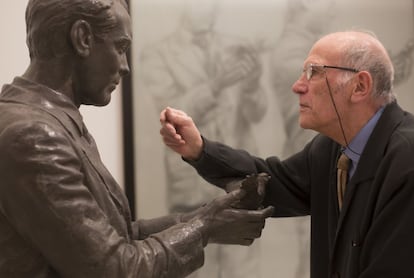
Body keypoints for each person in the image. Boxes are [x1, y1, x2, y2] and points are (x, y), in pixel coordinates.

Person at [0, 0, 274, 277]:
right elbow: (116, 268)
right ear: (83, 38)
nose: (125, 66)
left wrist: (206, 219)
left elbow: (120, 235)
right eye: (120, 48)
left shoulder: (48, 122)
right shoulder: (34, 136)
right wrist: (204, 228)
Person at [160, 30, 414, 278]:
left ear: (359, 86)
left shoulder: (406, 161)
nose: (297, 86)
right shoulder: (331, 148)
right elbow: (272, 182)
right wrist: (200, 150)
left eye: (314, 72)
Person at [139, 0, 267, 277]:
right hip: (190, 189)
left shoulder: (236, 47)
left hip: (239, 187)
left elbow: (257, 113)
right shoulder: (158, 54)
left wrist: (253, 83)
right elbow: (167, 113)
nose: (210, 9)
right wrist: (218, 83)